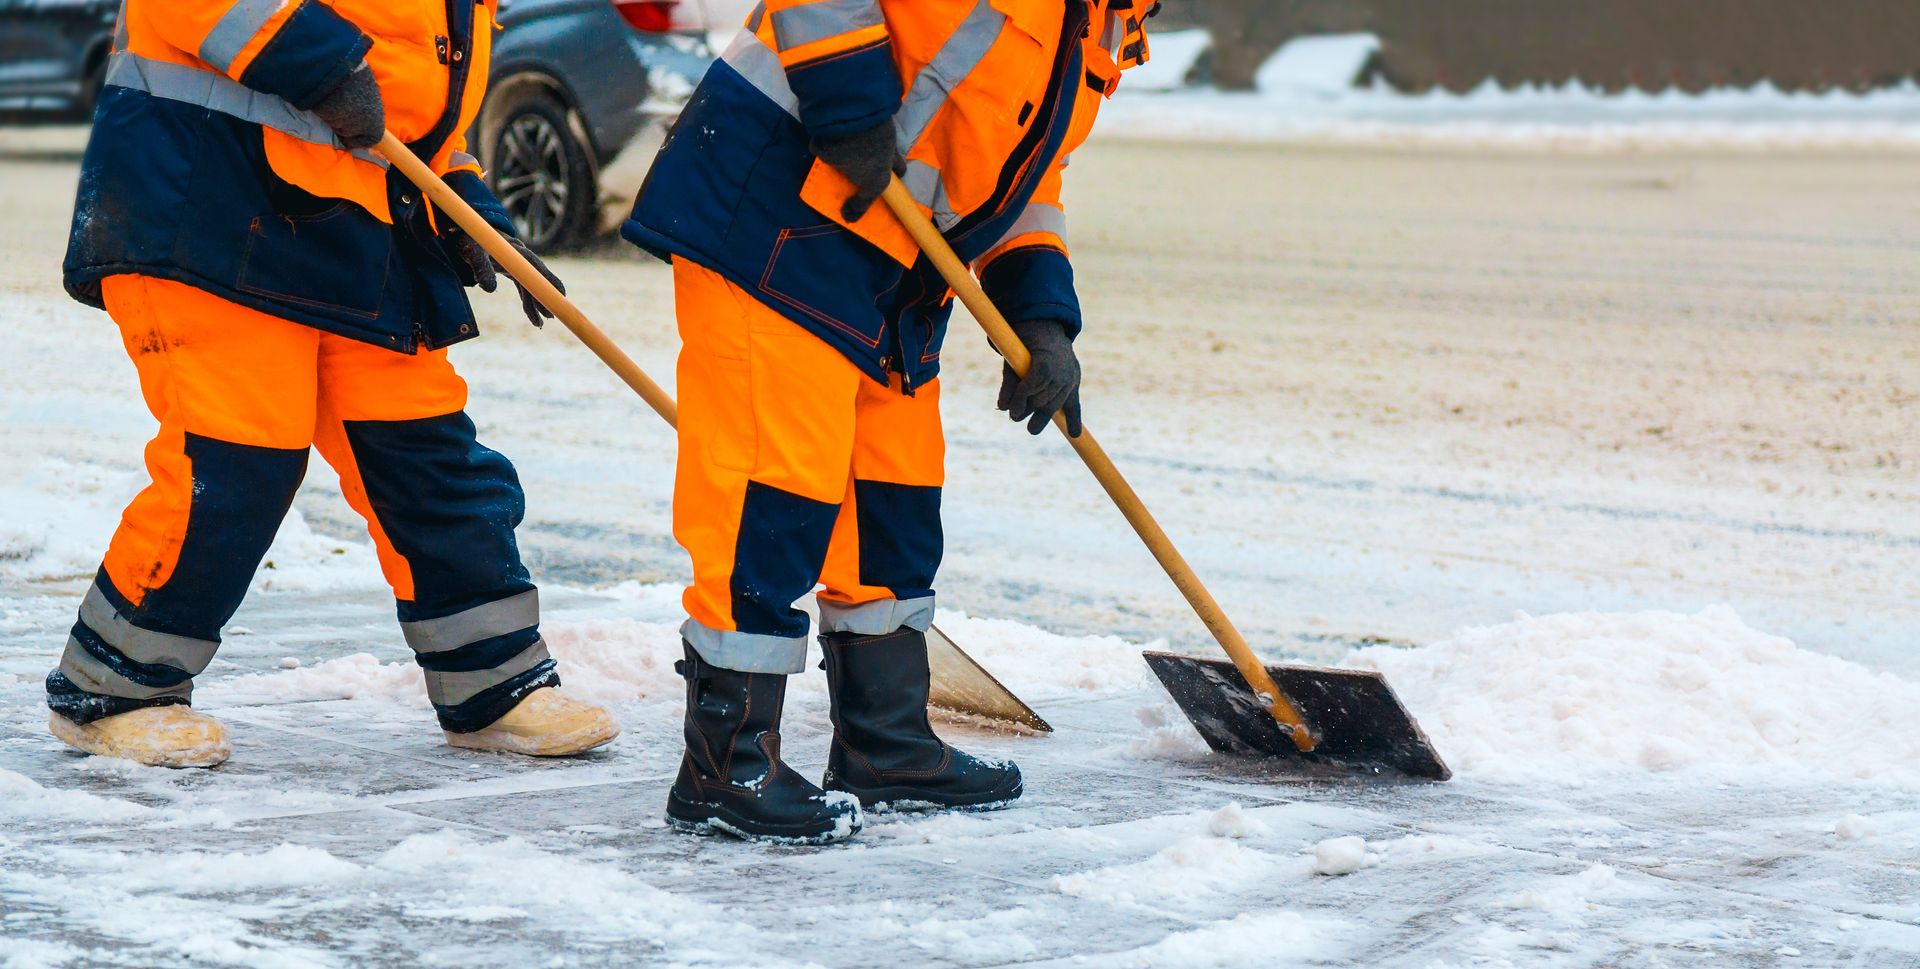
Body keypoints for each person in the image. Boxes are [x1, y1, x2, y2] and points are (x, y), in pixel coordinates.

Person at [624, 0, 1158, 842]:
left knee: (893, 498)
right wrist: (847, 97)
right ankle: (723, 764)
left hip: (894, 265)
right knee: (773, 488)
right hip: (782, 206)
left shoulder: (1100, 26)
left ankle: (885, 742)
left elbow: (1021, 176)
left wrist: (1040, 312)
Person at [48, 0, 620, 767]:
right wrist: (318, 59)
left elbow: (420, 117)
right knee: (238, 459)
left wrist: (475, 212)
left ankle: (495, 684)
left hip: (353, 231)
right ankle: (115, 688)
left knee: (425, 451)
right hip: (210, 199)